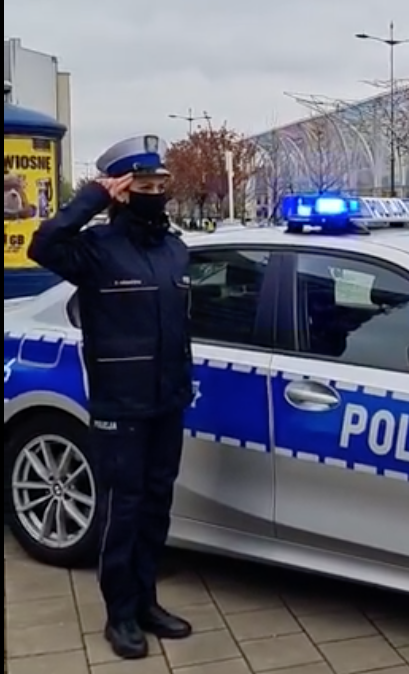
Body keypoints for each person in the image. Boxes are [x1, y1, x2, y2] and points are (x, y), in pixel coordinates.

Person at [27, 135, 194, 660]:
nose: (155, 191)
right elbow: (43, 243)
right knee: (123, 511)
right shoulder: (96, 250)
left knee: (156, 507)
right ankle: (119, 615)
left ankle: (146, 602)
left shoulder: (175, 249)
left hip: (167, 402)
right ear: (122, 191)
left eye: (160, 183)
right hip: (120, 406)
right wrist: (91, 198)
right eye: (143, 184)